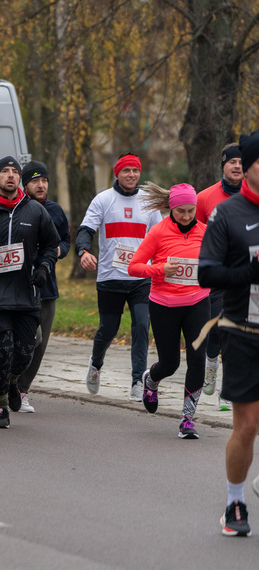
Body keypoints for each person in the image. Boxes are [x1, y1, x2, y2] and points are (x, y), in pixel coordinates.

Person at [0, 156, 60, 428]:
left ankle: (13, 382)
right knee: (3, 351)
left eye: (15, 172)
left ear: (19, 178)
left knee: (25, 353)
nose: (10, 175)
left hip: (26, 294)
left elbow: (51, 246)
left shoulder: (36, 212)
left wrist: (43, 267)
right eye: (4, 172)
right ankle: (1, 407)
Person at [197, 129, 259, 538]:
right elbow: (207, 273)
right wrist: (250, 273)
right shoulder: (228, 214)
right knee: (249, 425)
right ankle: (234, 501)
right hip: (244, 331)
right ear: (249, 168)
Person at [76, 153, 162, 401]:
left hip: (141, 278)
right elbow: (85, 230)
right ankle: (96, 364)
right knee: (108, 329)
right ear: (117, 173)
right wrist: (83, 252)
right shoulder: (103, 200)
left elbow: (160, 237)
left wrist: (160, 266)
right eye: (126, 171)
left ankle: (138, 381)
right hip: (110, 277)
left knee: (141, 326)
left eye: (135, 171)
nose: (132, 175)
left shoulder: (148, 201)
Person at [128, 183, 209, 438]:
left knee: (197, 361)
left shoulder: (206, 231)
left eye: (190, 210)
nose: (186, 216)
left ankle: (187, 419)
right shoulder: (158, 232)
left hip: (197, 302)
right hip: (164, 305)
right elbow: (134, 267)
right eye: (180, 211)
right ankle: (151, 379)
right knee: (170, 363)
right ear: (171, 209)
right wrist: (160, 270)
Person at [16, 161, 71, 413]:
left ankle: (21, 390)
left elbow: (65, 241)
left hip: (47, 287)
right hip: (19, 286)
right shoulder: (16, 209)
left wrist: (60, 250)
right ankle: (8, 382)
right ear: (25, 184)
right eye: (35, 181)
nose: (41, 185)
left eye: (45, 180)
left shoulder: (56, 210)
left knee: (41, 345)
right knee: (30, 338)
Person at [197, 143, 242, 412]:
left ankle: (230, 390)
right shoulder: (205, 198)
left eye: (241, 162)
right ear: (223, 165)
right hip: (216, 275)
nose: (237, 166)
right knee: (216, 329)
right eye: (232, 162)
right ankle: (211, 362)